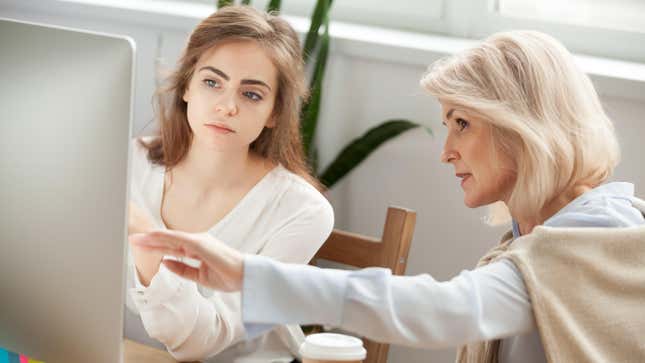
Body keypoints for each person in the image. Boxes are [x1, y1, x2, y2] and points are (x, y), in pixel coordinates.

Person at [131, 30, 645, 362]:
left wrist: (246, 274)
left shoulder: (594, 238)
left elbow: (445, 310)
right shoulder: (542, 239)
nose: (446, 151)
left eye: (463, 124)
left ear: (523, 128)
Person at [125, 5, 334, 363]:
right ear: (186, 86)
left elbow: (201, 343)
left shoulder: (303, 212)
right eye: (212, 82)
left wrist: (148, 243)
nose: (226, 106)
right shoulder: (131, 162)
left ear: (274, 113)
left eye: (251, 94)